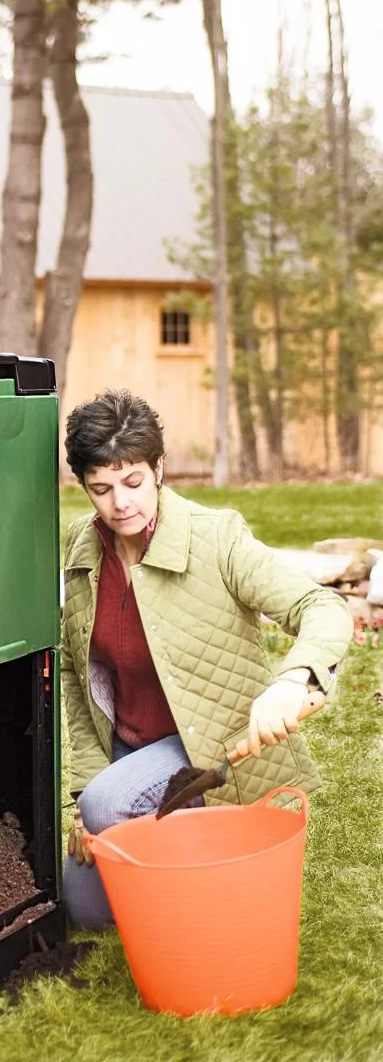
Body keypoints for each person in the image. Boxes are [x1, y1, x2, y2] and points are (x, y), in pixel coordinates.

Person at [60, 389, 353, 929]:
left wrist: (295, 679)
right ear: (84, 486)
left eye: (133, 482)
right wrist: (83, 793)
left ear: (159, 469)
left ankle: (188, 856)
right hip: (129, 745)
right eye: (101, 489)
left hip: (206, 741)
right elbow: (78, 678)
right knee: (85, 912)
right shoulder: (83, 547)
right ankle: (167, 842)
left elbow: (322, 607)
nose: (120, 503)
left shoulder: (217, 538)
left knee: (110, 807)